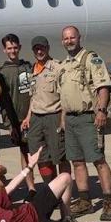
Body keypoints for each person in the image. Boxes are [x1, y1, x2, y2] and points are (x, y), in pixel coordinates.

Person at [57, 26, 111, 220]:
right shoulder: (65, 64)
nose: (69, 41)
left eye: (72, 37)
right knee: (77, 162)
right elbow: (65, 96)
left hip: (88, 117)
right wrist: (63, 119)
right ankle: (85, 201)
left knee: (98, 160)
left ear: (79, 38)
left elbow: (103, 87)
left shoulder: (91, 59)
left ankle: (109, 202)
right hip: (71, 119)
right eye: (66, 38)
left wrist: (101, 110)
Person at [21, 36, 70, 191]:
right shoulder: (32, 70)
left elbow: (64, 97)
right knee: (40, 157)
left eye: (42, 48)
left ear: (48, 48)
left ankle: (64, 188)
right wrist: (28, 117)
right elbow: (33, 97)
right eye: (36, 49)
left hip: (53, 116)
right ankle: (52, 189)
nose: (39, 51)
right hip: (36, 118)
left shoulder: (57, 67)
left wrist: (63, 120)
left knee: (60, 156)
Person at [0, 33, 36, 199]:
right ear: (4, 50)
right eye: (9, 48)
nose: (13, 51)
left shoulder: (28, 67)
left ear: (19, 47)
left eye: (15, 47)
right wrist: (9, 124)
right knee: (25, 153)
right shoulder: (3, 72)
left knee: (41, 153)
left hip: (36, 116)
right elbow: (4, 102)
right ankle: (31, 187)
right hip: (19, 120)